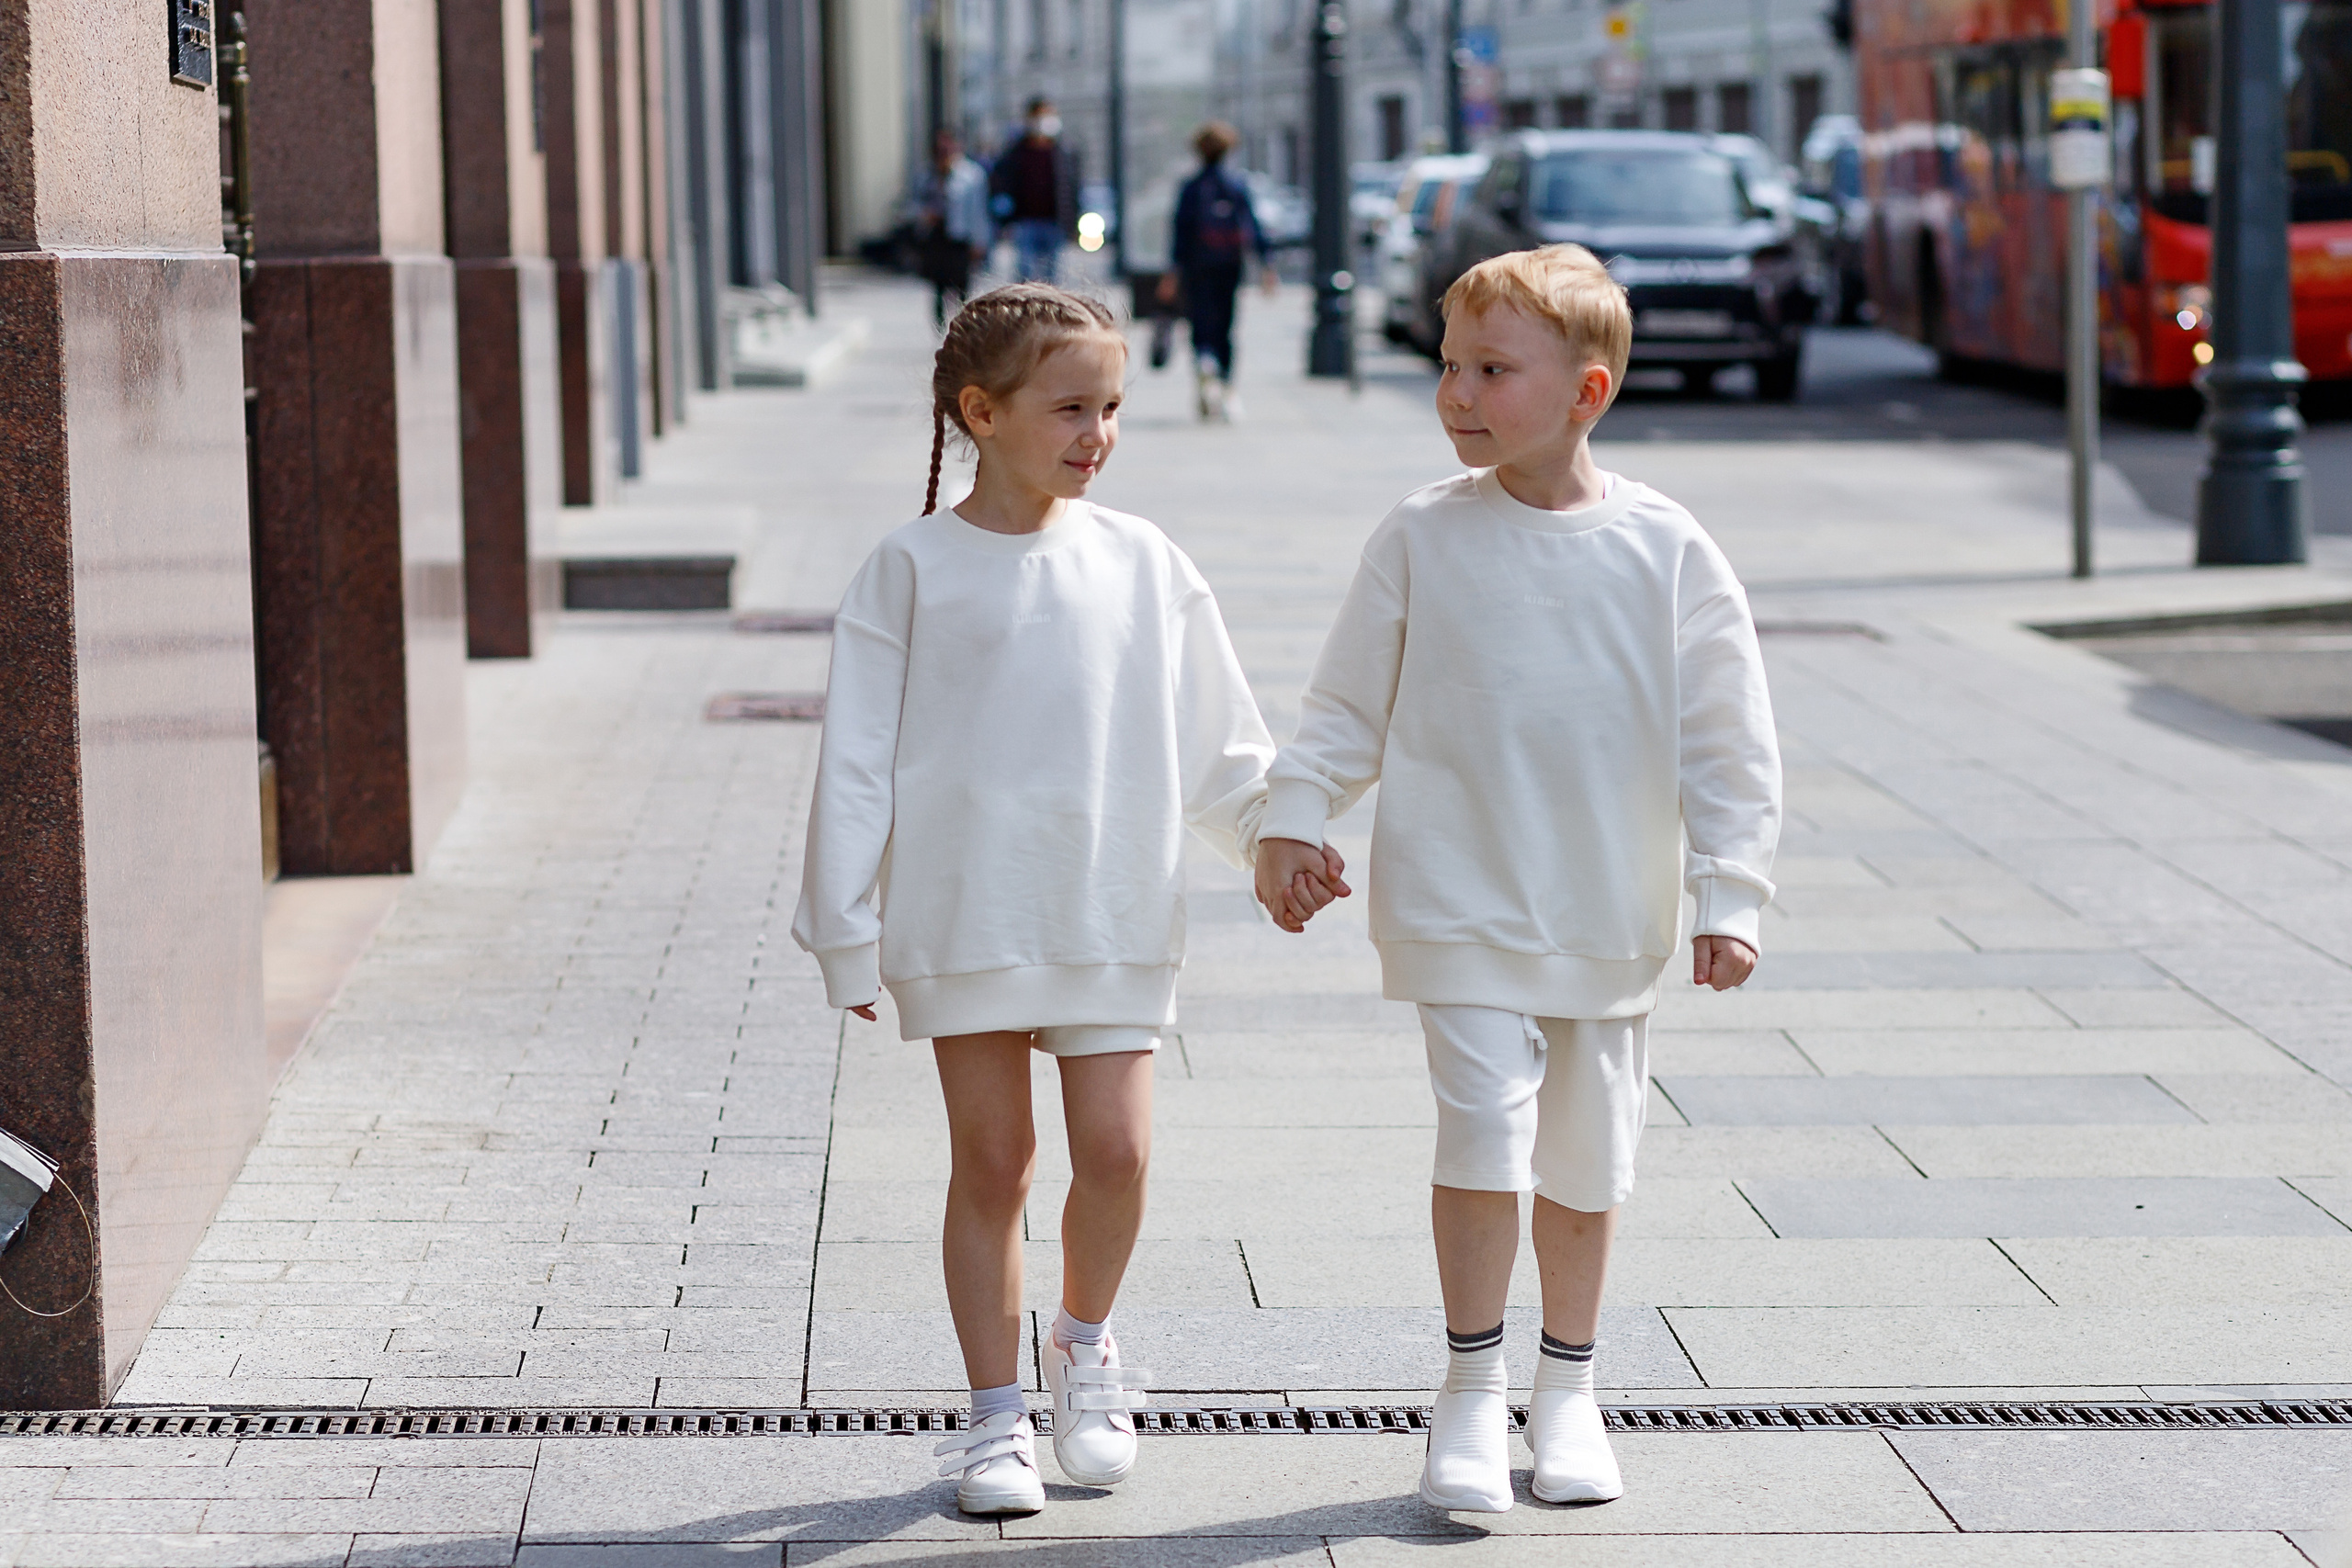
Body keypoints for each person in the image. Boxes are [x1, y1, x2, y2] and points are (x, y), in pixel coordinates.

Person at [1252, 244, 1781, 1513]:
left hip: (1607, 900)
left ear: (1587, 390)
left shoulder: (1666, 546)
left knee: (1591, 1153)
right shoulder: (1424, 532)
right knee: (1483, 1124)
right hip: (1458, 890)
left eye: (1493, 370)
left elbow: (1730, 732)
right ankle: (1470, 1389)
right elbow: (1344, 701)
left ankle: (1572, 1385)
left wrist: (1733, 888)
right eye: (1450, 366)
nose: (1459, 394)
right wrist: (1293, 815)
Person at [792, 285, 1292, 1517]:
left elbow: (1220, 739)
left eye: (1113, 406)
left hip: (1111, 902)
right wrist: (842, 926)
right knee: (996, 1160)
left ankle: (1081, 1339)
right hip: (967, 910)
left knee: (1117, 1152)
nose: (1099, 432)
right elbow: (854, 756)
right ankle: (991, 1416)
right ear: (982, 411)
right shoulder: (908, 568)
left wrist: (1276, 840)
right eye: (1072, 406)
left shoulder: (1144, 560)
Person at [1159, 122, 1277, 423]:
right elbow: (1253, 227)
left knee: (1200, 321)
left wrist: (1172, 273)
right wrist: (1266, 266)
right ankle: (1226, 387)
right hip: (1230, 264)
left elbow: (1180, 233)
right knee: (1226, 325)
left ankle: (1204, 364)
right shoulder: (1236, 185)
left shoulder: (1191, 187)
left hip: (1197, 266)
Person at [989, 98, 1079, 284]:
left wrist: (1074, 220)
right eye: (1038, 116)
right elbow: (1001, 182)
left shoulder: (1064, 150)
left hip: (1055, 221)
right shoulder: (1016, 151)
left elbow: (1073, 187)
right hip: (1025, 221)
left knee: (1053, 277)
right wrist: (1004, 218)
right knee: (1025, 275)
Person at [914, 129, 991, 329]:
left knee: (962, 286)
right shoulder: (927, 174)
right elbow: (914, 203)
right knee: (938, 287)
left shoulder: (971, 175)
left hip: (960, 237)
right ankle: (940, 329)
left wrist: (980, 240)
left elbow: (978, 211)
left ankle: (962, 327)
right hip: (936, 237)